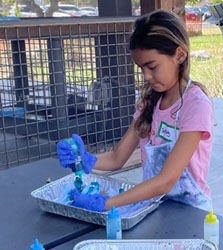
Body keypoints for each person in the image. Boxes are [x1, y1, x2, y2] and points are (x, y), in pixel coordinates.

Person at [57, 9, 214, 212]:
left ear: (180, 55)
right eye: (141, 68)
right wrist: (84, 158)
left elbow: (166, 180)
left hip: (191, 211)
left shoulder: (195, 106)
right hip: (154, 205)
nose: (146, 76)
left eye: (152, 66)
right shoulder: (150, 102)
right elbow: (117, 159)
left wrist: (106, 204)